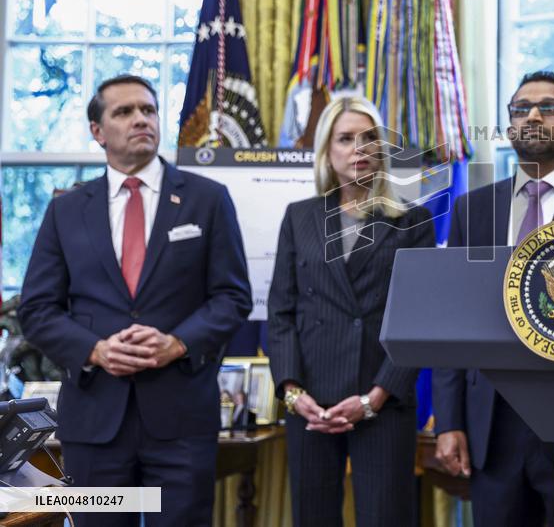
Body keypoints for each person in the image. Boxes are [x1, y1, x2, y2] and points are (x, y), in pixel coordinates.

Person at [19, 74, 253, 527]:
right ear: (97, 131)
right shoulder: (65, 210)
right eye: (124, 112)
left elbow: (232, 297)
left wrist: (178, 343)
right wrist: (95, 350)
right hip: (95, 422)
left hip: (182, 419)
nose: (140, 119)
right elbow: (36, 309)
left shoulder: (207, 200)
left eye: (148, 109)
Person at [268, 95, 435, 527]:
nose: (358, 149)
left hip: (382, 399)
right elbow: (282, 312)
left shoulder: (412, 221)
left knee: (386, 517)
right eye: (345, 139)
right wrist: (292, 391)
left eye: (368, 139)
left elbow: (419, 322)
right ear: (327, 150)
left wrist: (375, 397)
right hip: (312, 404)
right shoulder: (299, 217)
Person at [433, 71, 554, 527]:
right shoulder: (473, 209)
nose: (533, 115)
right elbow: (452, 320)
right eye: (521, 110)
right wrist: (449, 420)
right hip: (491, 427)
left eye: (549, 107)